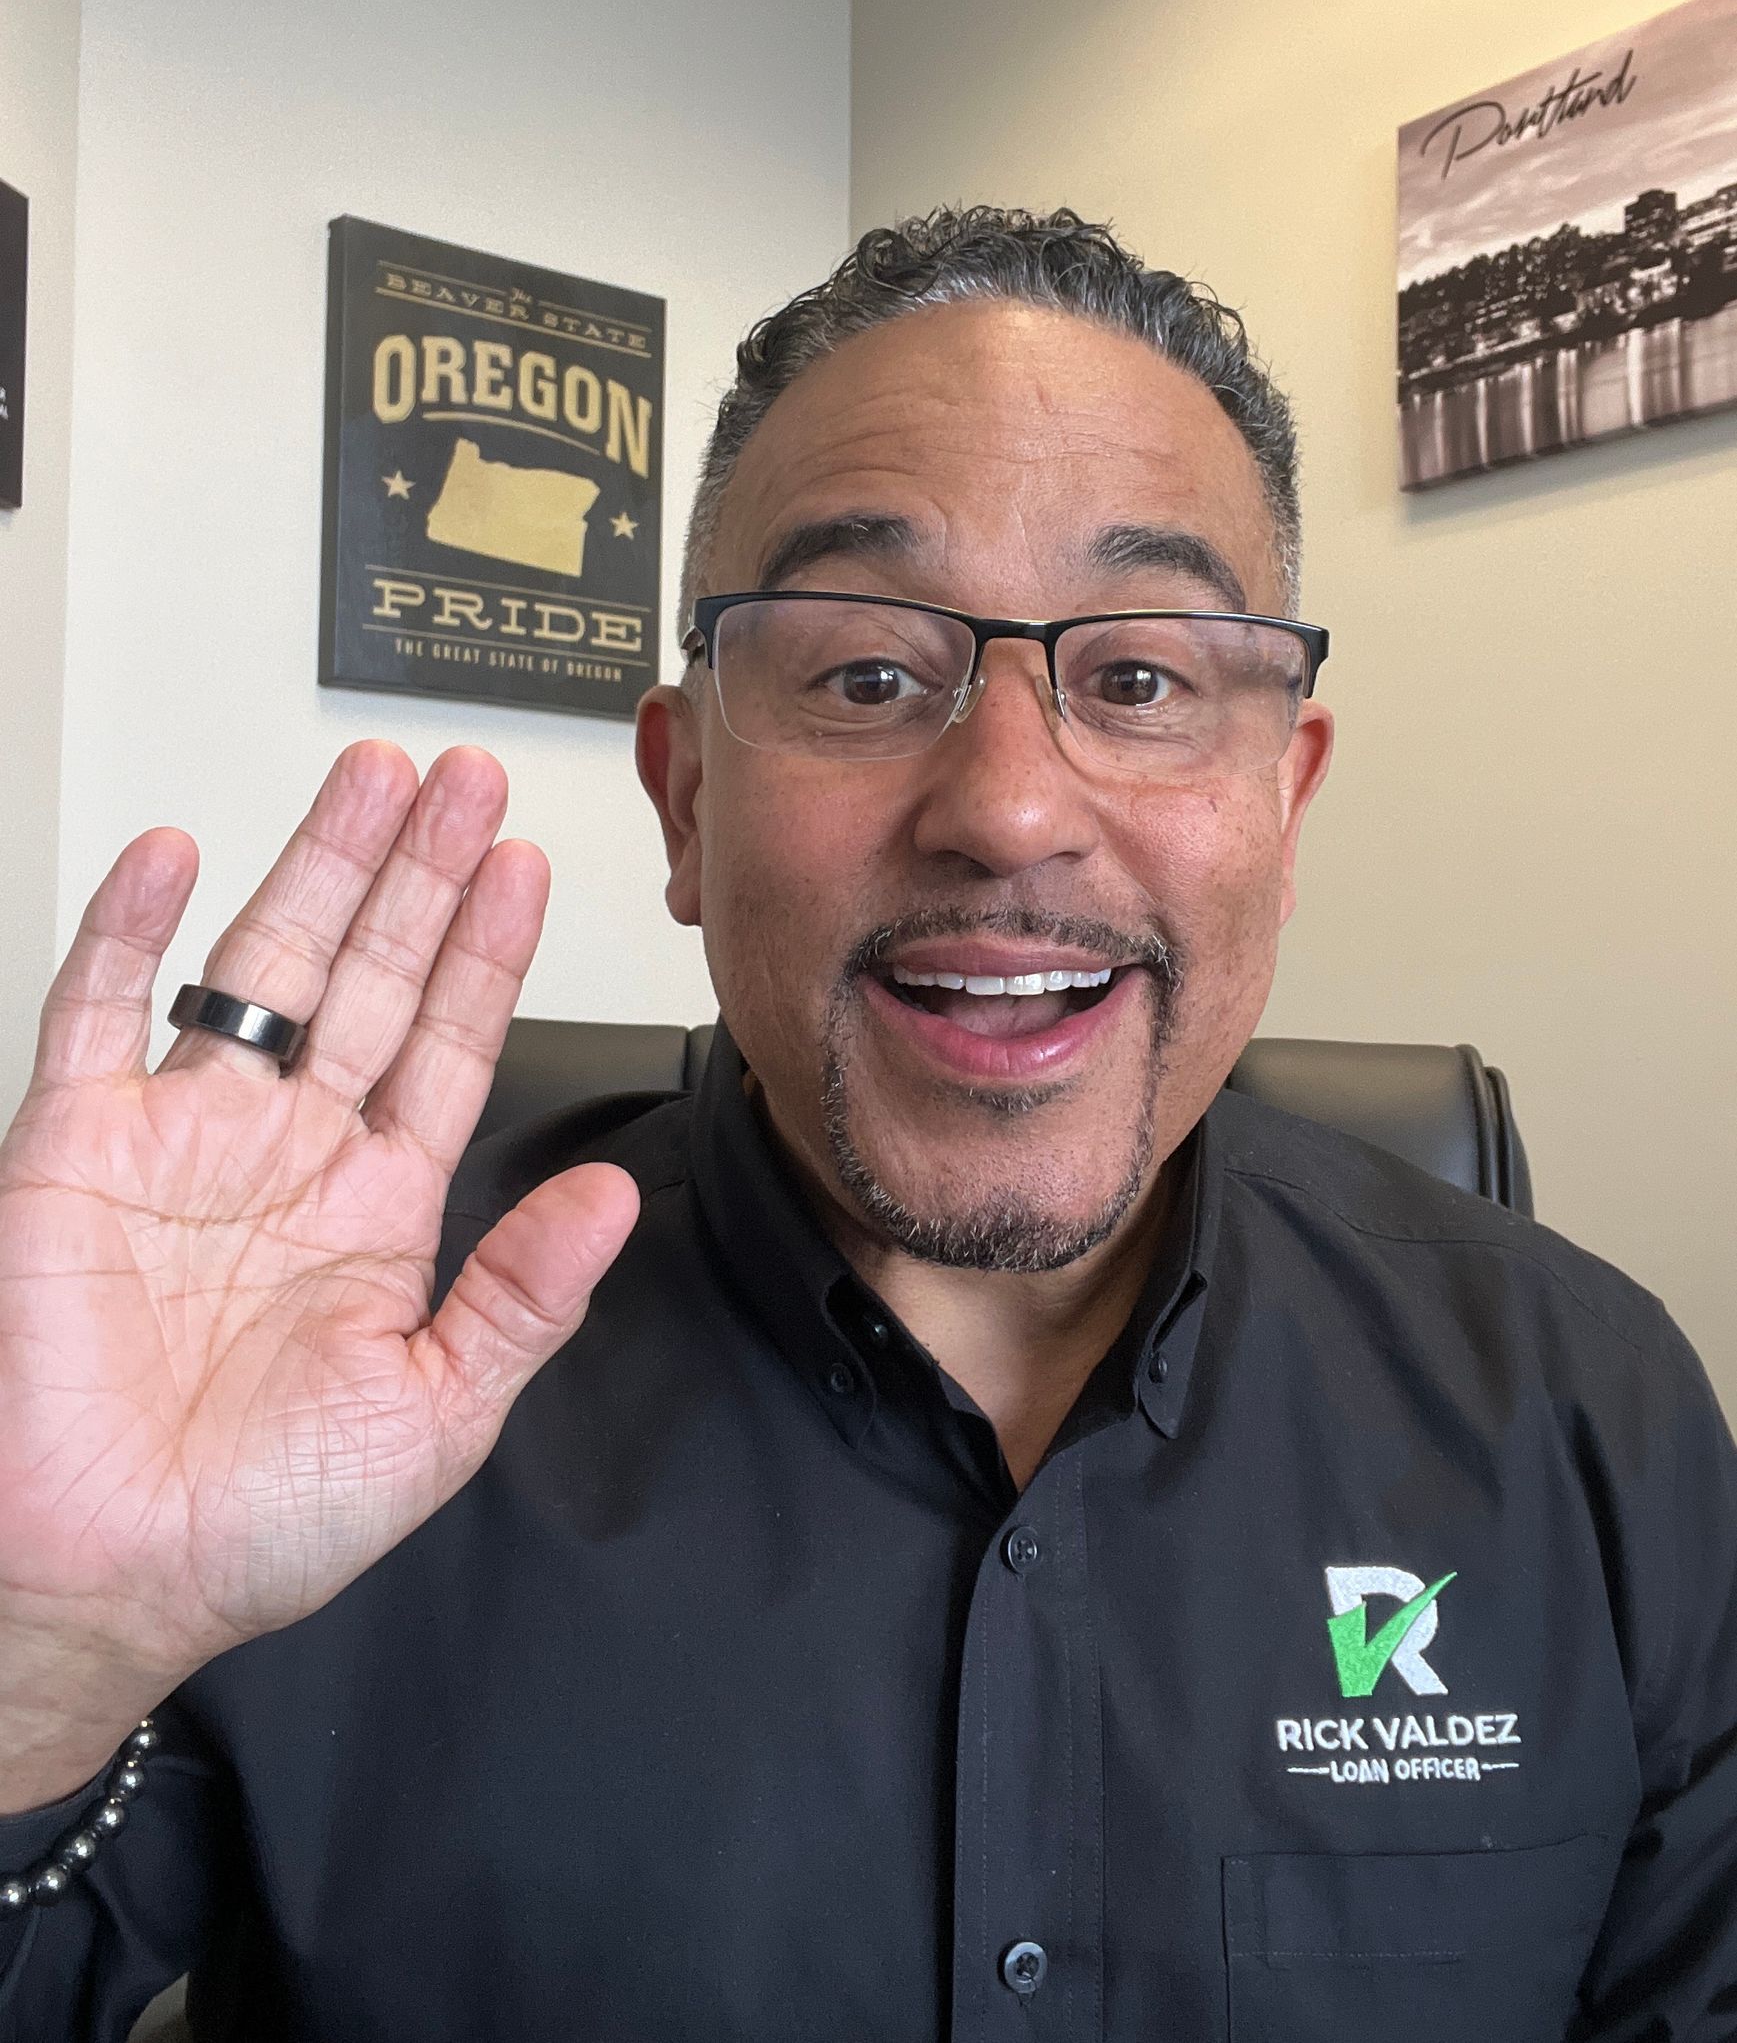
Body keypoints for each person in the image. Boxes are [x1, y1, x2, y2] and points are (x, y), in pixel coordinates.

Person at [0, 208, 1731, 2043]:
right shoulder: (306, 1383)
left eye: (1136, 680)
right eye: (864, 675)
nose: (1005, 808)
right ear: (682, 807)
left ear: (1282, 803)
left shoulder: (1581, 1406)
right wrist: (36, 1662)